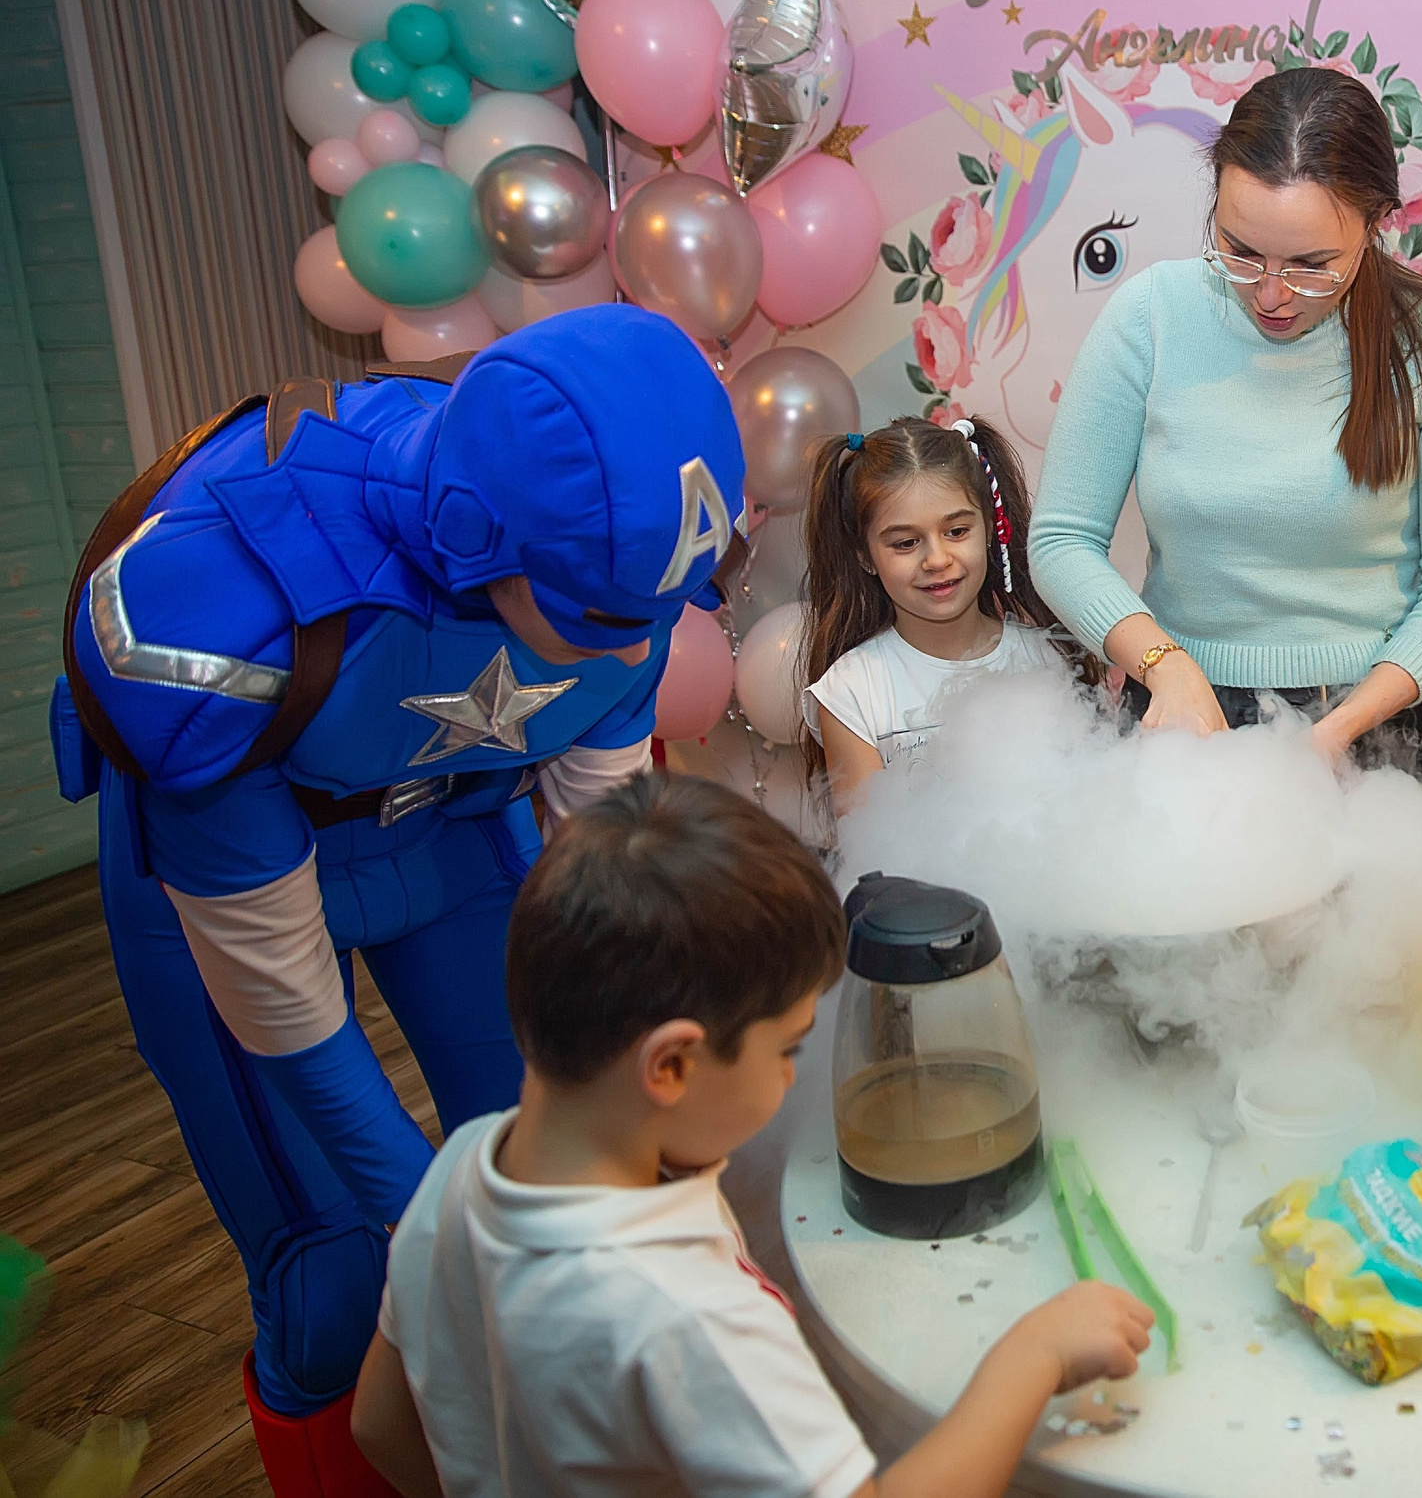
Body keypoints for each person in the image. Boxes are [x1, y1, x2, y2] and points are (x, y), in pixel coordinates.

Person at [50, 306, 748, 1498]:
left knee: (573, 1181)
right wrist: (436, 1228)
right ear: (478, 536)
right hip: (233, 878)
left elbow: (613, 892)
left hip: (459, 831)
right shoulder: (221, 607)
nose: (630, 655)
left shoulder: (619, 579)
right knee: (337, 1285)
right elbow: (283, 1000)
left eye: (647, 620)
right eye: (591, 619)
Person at [349, 773, 1152, 1498]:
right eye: (786, 1048)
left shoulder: (459, 1170)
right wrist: (1032, 1355)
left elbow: (379, 1425)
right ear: (670, 1065)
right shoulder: (690, 1315)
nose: (793, 1078)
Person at [1027, 66, 1422, 780]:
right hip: (1180, 707)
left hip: (1375, 723)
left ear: (1378, 222)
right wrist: (1166, 666)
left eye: (1313, 265)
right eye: (1241, 251)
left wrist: (1341, 725)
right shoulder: (1150, 316)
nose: (1272, 294)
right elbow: (1064, 540)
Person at [800, 416, 1076, 815]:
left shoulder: (1047, 659)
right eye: (906, 543)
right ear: (864, 555)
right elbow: (870, 857)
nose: (937, 560)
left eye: (957, 532)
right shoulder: (851, 694)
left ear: (990, 528)